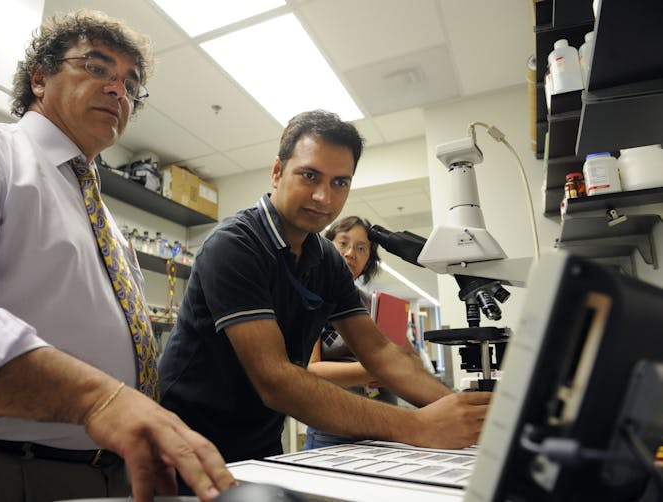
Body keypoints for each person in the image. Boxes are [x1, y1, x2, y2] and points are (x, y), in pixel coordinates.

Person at [0, 10, 233, 502]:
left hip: (102, 472)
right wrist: (98, 399)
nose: (118, 91)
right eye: (98, 68)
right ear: (40, 77)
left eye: (130, 84)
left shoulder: (109, 227)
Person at [158, 109, 491, 491]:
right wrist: (416, 425)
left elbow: (380, 351)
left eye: (340, 183)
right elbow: (275, 380)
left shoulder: (326, 258)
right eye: (310, 175)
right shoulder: (234, 245)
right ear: (277, 171)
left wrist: (466, 416)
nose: (323, 197)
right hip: (187, 445)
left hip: (260, 445)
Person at [302, 215, 415, 450]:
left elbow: (410, 361)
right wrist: (373, 371)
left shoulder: (374, 304)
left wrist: (400, 363)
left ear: (368, 260)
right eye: (343, 243)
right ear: (327, 246)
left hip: (384, 424)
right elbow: (309, 370)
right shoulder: (310, 300)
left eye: (361, 248)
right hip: (334, 428)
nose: (351, 253)